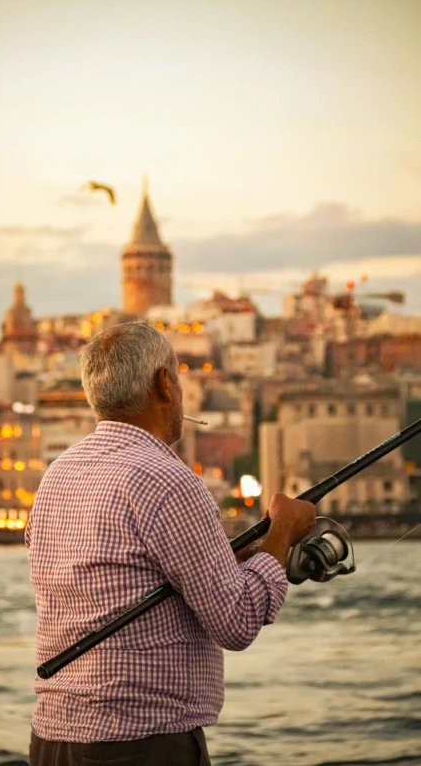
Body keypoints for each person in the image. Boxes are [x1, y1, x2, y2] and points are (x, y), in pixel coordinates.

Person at [26, 322, 316, 766]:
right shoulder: (168, 480)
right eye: (178, 377)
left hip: (52, 743)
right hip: (141, 745)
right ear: (165, 383)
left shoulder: (57, 477)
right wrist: (283, 529)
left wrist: (226, 556)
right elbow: (237, 622)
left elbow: (118, 575)